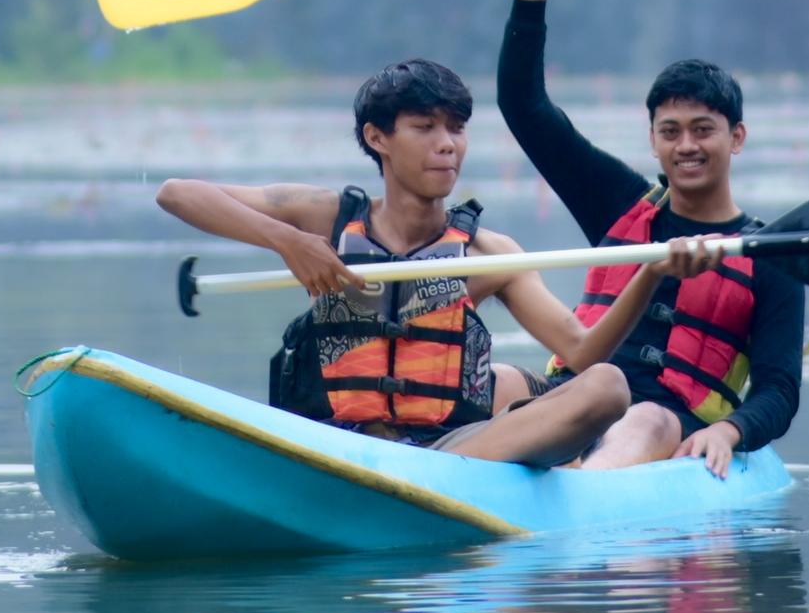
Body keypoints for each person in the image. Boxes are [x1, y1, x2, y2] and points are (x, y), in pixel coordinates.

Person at [154, 55, 728, 464]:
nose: (447, 143)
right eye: (424, 128)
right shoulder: (325, 217)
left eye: (456, 128)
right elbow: (177, 193)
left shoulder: (487, 253)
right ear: (377, 138)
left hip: (447, 451)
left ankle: (449, 475)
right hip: (333, 441)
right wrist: (288, 241)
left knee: (607, 386)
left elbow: (582, 352)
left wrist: (650, 274)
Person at [497, 0, 805, 474]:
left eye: (703, 130)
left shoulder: (769, 257)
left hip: (668, 422)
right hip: (575, 395)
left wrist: (730, 429)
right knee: (495, 379)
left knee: (646, 420)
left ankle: (579, 496)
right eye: (671, 131)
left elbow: (780, 388)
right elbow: (525, 108)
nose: (687, 145)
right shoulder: (618, 203)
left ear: (736, 138)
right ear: (654, 140)